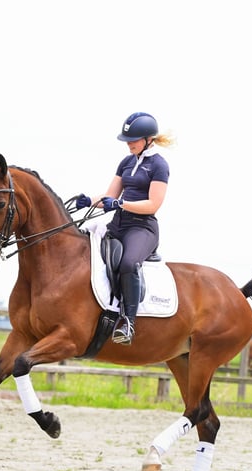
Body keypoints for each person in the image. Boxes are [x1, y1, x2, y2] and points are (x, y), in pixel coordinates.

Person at [76, 112, 175, 345]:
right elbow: (110, 197)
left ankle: (128, 322)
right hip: (118, 225)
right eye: (128, 140)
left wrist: (121, 203)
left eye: (134, 140)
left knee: (128, 263)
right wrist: (88, 200)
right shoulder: (127, 162)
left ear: (148, 139)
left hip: (142, 229)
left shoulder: (159, 165)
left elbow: (153, 204)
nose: (129, 144)